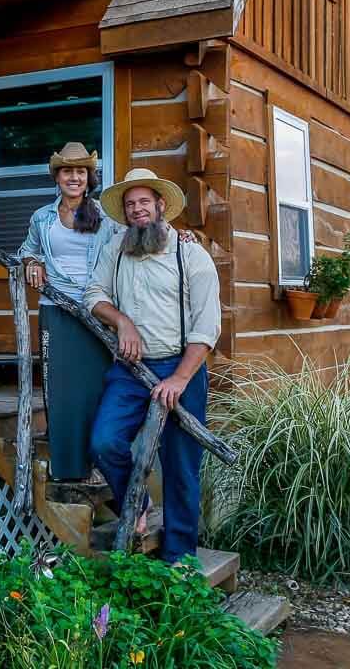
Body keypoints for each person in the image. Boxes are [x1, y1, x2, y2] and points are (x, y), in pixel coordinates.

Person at [85, 167, 220, 564]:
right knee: (104, 441)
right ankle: (137, 499)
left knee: (180, 466)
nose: (137, 209)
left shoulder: (190, 253)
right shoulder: (116, 249)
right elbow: (93, 293)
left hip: (183, 367)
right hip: (131, 369)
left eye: (144, 201)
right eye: (130, 204)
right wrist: (121, 320)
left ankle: (179, 560)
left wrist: (180, 377)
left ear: (161, 206)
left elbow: (207, 325)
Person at [16, 142, 121, 482]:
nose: (74, 177)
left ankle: (97, 467)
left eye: (80, 172)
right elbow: (27, 250)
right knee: (60, 391)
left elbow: (136, 241)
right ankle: (66, 469)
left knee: (94, 389)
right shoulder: (42, 217)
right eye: (67, 171)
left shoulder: (106, 218)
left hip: (95, 309)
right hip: (56, 309)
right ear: (57, 177)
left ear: (89, 178)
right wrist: (32, 263)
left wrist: (181, 238)